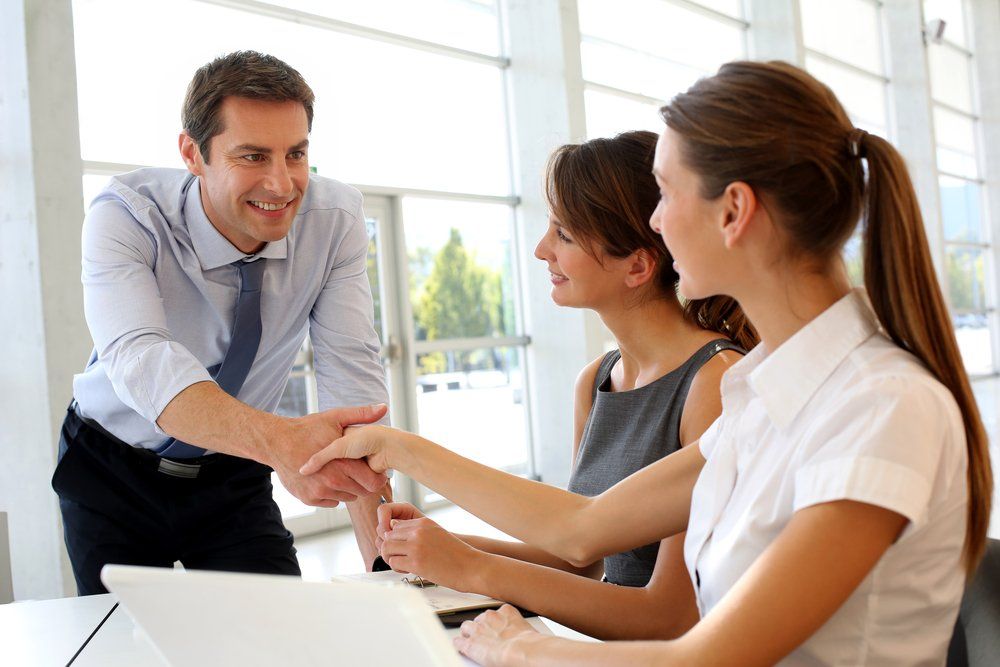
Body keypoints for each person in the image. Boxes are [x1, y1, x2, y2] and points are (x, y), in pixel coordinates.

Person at [302, 61, 992, 666]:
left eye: (664, 192)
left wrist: (523, 644)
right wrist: (392, 446)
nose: (655, 223)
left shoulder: (881, 406)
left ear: (734, 212)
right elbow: (583, 528)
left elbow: (706, 653)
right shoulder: (767, 398)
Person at [369, 130, 755, 640]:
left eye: (565, 236)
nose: (540, 250)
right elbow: (578, 558)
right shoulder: (595, 381)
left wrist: (468, 567)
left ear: (638, 265)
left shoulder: (714, 382)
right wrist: (438, 543)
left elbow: (668, 617)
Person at [53, 51, 390, 596]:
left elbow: (350, 374)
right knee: (125, 645)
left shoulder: (336, 221)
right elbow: (142, 359)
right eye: (253, 156)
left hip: (235, 467)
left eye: (296, 154)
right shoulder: (126, 215)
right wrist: (283, 443)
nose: (281, 185)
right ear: (193, 153)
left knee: (275, 633)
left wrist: (386, 567)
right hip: (111, 467)